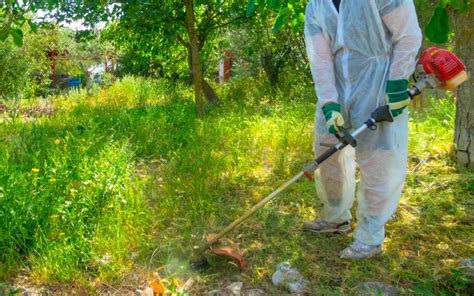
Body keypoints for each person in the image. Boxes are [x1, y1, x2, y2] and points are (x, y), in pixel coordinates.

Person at [303, 0, 422, 259]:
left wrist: (397, 84)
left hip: (378, 85)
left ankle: (369, 235)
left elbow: (408, 35)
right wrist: (329, 103)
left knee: (378, 160)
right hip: (337, 87)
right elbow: (319, 58)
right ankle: (335, 217)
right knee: (327, 151)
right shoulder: (316, 6)